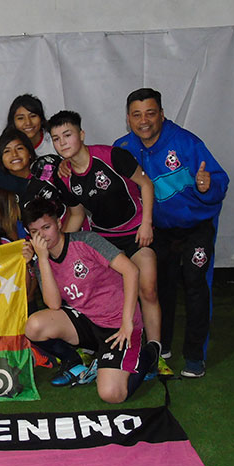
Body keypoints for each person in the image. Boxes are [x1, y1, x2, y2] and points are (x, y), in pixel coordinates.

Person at [114, 88, 229, 378]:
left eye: (150, 113)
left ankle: (195, 356)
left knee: (195, 283)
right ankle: (161, 345)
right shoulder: (123, 148)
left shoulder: (186, 142)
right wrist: (67, 168)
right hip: (158, 230)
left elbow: (219, 179)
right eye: (137, 115)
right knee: (159, 285)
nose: (144, 121)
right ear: (128, 119)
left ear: (162, 115)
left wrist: (208, 186)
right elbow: (97, 166)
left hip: (196, 226)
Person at [48, 110, 162, 365]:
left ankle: (156, 351)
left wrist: (146, 224)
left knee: (148, 287)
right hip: (103, 239)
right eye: (56, 139)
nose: (62, 143)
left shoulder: (112, 156)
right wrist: (61, 246)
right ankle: (94, 343)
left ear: (81, 134)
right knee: (92, 288)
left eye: (67, 135)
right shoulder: (64, 176)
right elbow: (77, 214)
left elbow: (147, 184)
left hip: (136, 234)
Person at [22, 199, 154, 403]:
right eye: (35, 232)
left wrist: (127, 322)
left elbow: (131, 271)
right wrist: (43, 259)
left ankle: (149, 354)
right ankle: (74, 362)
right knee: (33, 326)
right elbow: (54, 305)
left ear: (59, 223)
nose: (42, 236)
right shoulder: (42, 261)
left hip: (117, 325)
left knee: (111, 394)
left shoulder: (86, 241)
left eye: (46, 227)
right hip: (86, 321)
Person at [0, 126, 79, 240]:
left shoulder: (49, 168)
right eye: (7, 151)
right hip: (38, 246)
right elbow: (10, 229)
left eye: (19, 148)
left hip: (72, 235)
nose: (14, 154)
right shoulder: (0, 189)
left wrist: (62, 243)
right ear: (0, 160)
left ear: (30, 153)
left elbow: (75, 211)